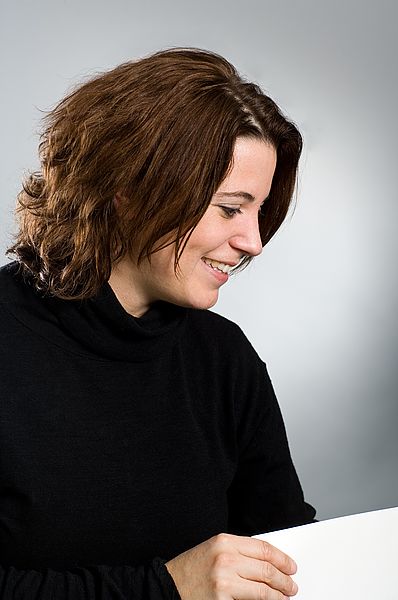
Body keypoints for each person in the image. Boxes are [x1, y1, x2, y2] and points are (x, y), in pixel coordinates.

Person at [0, 48, 316, 599]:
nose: (253, 243)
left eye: (258, 211)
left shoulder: (224, 359)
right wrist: (165, 589)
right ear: (128, 191)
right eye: (229, 208)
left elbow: (288, 559)